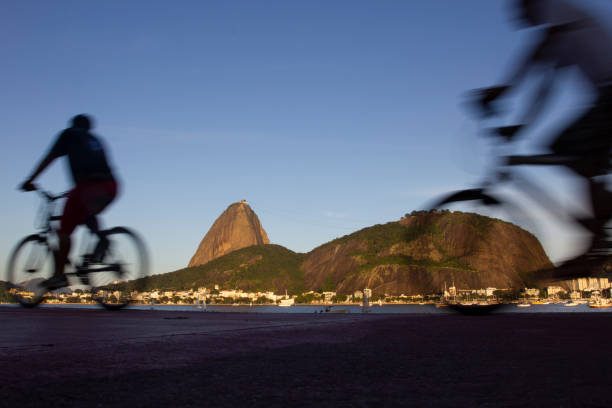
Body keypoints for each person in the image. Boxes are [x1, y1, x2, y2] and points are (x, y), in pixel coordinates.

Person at [477, 0, 612, 276]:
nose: (517, 14)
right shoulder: (561, 30)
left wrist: (504, 91)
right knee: (575, 155)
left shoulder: (555, 9)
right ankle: (599, 227)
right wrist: (521, 126)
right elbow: (546, 86)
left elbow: (536, 51)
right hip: (606, 96)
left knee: (567, 147)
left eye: (520, 7)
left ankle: (598, 234)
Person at [20, 114, 119, 290]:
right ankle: (98, 245)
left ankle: (59, 276)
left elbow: (48, 158)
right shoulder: (95, 140)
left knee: (64, 232)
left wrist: (30, 180)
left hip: (87, 187)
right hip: (111, 186)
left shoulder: (69, 135)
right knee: (87, 215)